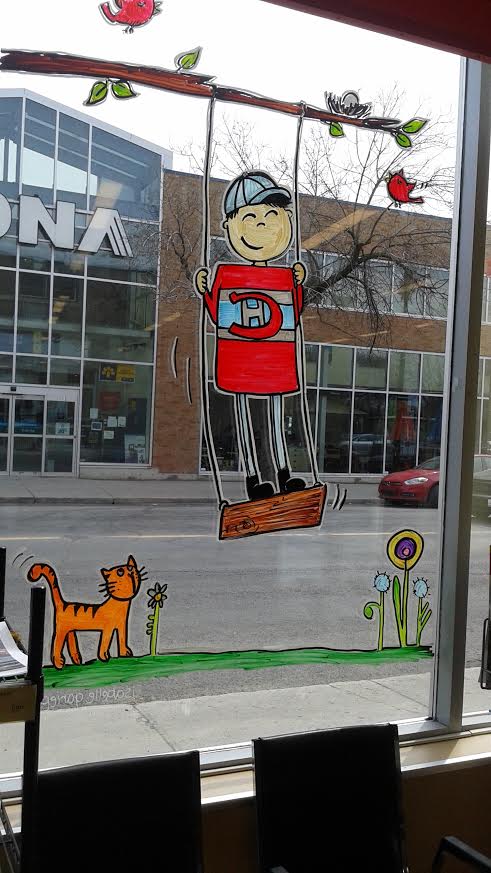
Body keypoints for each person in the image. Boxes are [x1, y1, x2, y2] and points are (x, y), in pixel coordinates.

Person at [195, 170, 308, 501]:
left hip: (274, 360)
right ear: (230, 226)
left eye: (271, 217)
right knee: (244, 416)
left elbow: (291, 314)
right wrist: (205, 291)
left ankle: (284, 474)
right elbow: (221, 316)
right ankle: (253, 478)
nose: (262, 225)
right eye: (251, 218)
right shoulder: (228, 274)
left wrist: (298, 284)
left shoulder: (284, 276)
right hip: (242, 361)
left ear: (285, 223)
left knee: (275, 419)